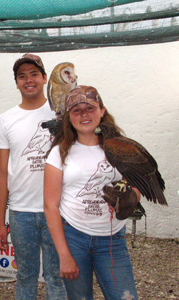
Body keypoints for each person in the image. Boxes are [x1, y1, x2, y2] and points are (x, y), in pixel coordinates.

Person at [43, 85, 139, 300]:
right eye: (77, 110)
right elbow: (50, 205)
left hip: (112, 239)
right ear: (69, 117)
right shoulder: (58, 153)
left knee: (125, 296)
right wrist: (64, 255)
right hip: (74, 238)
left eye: (90, 108)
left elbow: (138, 184)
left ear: (102, 111)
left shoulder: (121, 148)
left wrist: (132, 198)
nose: (84, 114)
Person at [0, 54, 66, 300]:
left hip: (57, 210)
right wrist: (1, 222)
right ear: (16, 83)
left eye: (34, 74)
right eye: (22, 76)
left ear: (45, 78)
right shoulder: (6, 119)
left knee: (57, 277)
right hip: (21, 212)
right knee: (25, 276)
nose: (29, 80)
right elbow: (1, 172)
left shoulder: (62, 111)